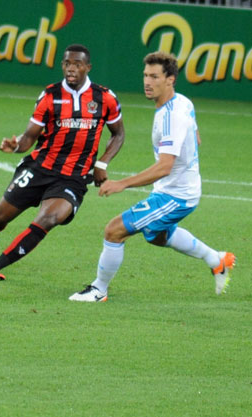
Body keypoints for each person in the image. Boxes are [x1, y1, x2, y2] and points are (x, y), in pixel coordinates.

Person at [69, 52, 236, 302]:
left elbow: (164, 167)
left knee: (114, 231)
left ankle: (98, 290)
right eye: (146, 75)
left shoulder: (172, 117)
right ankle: (216, 259)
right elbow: (196, 136)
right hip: (176, 189)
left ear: (170, 79)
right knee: (158, 236)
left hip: (177, 195)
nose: (147, 82)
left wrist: (121, 184)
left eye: (155, 76)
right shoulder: (182, 102)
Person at [0, 44, 125, 280]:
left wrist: (102, 163)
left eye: (77, 64)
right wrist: (16, 146)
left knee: (49, 219)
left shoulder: (104, 97)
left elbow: (118, 134)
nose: (71, 68)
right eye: (67, 63)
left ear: (88, 67)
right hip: (39, 168)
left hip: (74, 176)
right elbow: (29, 138)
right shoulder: (50, 96)